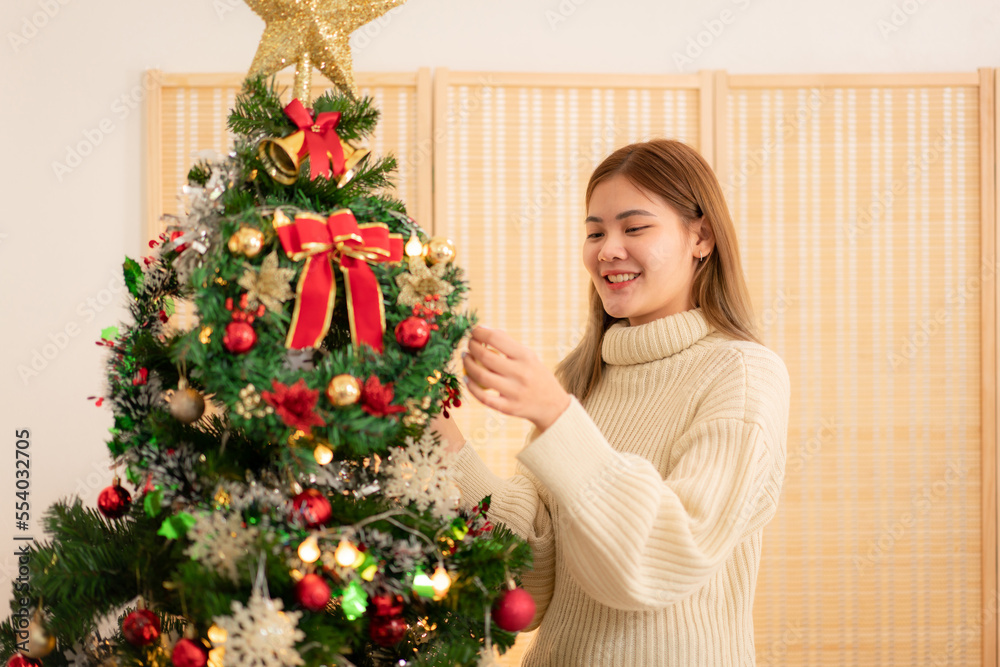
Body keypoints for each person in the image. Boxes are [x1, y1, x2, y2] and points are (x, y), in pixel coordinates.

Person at [432, 139, 790, 666]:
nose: (607, 250)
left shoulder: (742, 374)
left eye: (634, 227)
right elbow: (531, 583)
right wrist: (444, 442)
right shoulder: (582, 378)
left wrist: (556, 417)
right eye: (595, 231)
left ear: (702, 237)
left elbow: (659, 560)